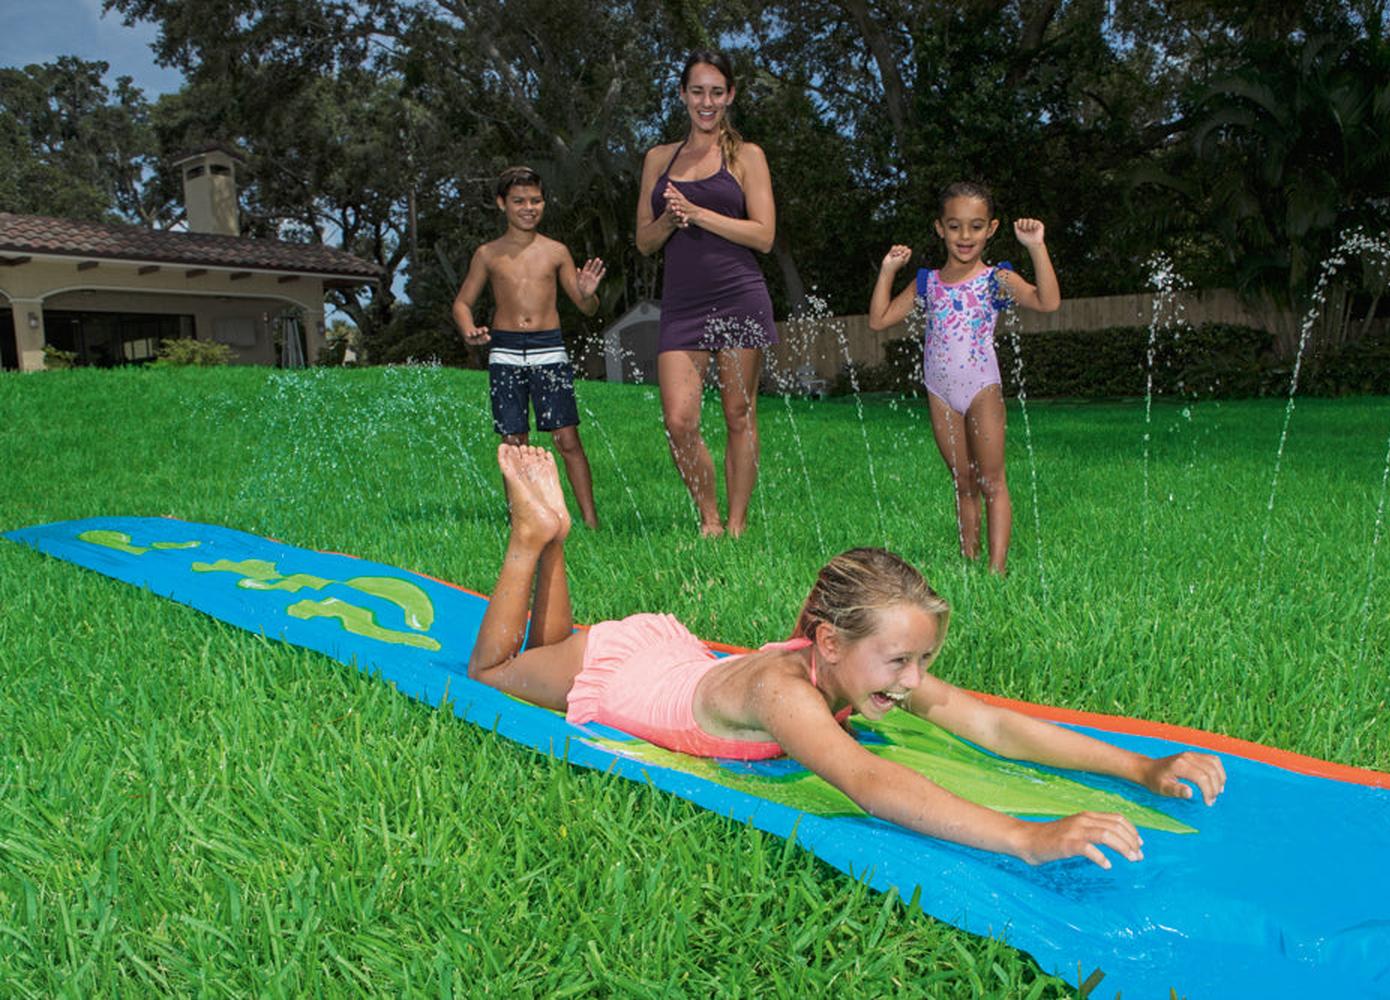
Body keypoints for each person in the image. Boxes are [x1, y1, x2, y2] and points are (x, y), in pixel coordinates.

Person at [470, 443, 1227, 868]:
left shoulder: (863, 666)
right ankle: (532, 537)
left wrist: (1140, 767)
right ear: (830, 643)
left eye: (922, 661)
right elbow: (868, 780)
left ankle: (555, 536)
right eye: (900, 662)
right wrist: (1025, 837)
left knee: (549, 649)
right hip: (629, 674)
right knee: (495, 675)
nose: (916, 681)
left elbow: (993, 726)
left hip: (676, 657)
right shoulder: (783, 693)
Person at [868, 182, 1061, 574]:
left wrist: (1036, 247)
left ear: (991, 228)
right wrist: (887, 271)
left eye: (975, 226)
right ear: (940, 228)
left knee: (992, 480)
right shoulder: (928, 282)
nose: (965, 236)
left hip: (981, 388)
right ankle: (968, 559)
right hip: (940, 391)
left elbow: (1048, 301)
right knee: (963, 480)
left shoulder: (996, 279)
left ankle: (996, 569)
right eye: (955, 226)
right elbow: (879, 320)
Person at [634, 50, 778, 538]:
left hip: (739, 294)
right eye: (697, 91)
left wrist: (697, 213)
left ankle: (735, 525)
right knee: (678, 420)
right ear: (682, 95)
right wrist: (669, 220)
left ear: (730, 95)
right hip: (683, 304)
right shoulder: (658, 159)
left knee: (739, 412)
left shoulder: (746, 156)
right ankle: (709, 518)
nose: (707, 101)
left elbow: (763, 235)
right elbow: (644, 242)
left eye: (717, 92)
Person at [453, 165, 606, 529]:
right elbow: (461, 303)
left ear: (544, 203)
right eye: (519, 201)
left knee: (566, 438)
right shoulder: (488, 254)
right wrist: (468, 329)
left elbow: (587, 307)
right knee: (514, 441)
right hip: (505, 352)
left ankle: (591, 521)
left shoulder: (556, 252)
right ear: (501, 203)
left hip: (548, 348)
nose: (528, 208)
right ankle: (521, 521)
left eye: (535, 200)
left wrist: (587, 294)